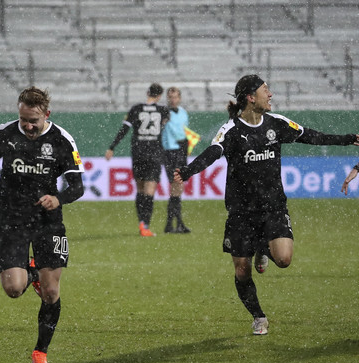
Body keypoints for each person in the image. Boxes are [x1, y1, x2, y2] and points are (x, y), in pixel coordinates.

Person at [173, 74, 359, 335]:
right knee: (241, 271)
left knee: (283, 259)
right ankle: (259, 316)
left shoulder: (276, 123)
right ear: (251, 98)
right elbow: (214, 151)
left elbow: (310, 135)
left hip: (273, 207)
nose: (270, 95)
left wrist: (349, 138)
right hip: (240, 212)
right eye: (265, 90)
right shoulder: (232, 130)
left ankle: (263, 247)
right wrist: (189, 171)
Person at [0, 87, 84, 363]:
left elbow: (77, 186)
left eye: (34, 120)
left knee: (51, 293)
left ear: (46, 114)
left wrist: (58, 198)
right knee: (14, 289)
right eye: (23, 120)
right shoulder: (4, 133)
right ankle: (31, 272)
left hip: (48, 222)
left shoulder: (62, 140)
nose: (28, 126)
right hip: (12, 220)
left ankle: (40, 351)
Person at [106, 83, 169, 237]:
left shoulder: (136, 109)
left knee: (140, 190)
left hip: (139, 154)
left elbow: (124, 130)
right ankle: (145, 225)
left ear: (147, 92)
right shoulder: (163, 111)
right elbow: (166, 130)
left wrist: (112, 147)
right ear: (159, 96)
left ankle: (142, 223)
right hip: (154, 154)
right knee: (149, 191)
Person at [161, 86, 190, 234]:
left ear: (179, 98)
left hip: (181, 151)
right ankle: (177, 223)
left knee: (178, 189)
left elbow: (184, 131)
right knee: (175, 188)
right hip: (170, 153)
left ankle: (171, 224)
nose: (173, 100)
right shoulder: (164, 113)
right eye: (170, 97)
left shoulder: (184, 113)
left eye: (175, 97)